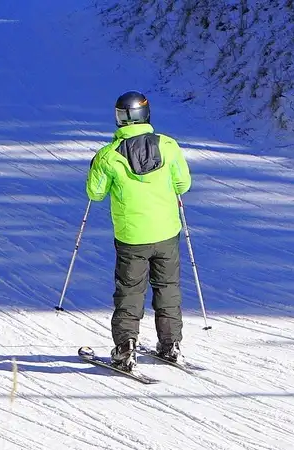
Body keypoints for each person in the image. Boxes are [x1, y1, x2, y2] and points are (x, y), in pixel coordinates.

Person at [85, 90, 192, 371]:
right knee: (168, 288)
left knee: (130, 291)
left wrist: (94, 168)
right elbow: (183, 185)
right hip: (167, 231)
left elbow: (95, 193)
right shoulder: (168, 145)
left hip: (132, 236)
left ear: (120, 118)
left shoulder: (108, 156)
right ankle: (170, 344)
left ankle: (125, 347)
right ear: (146, 114)